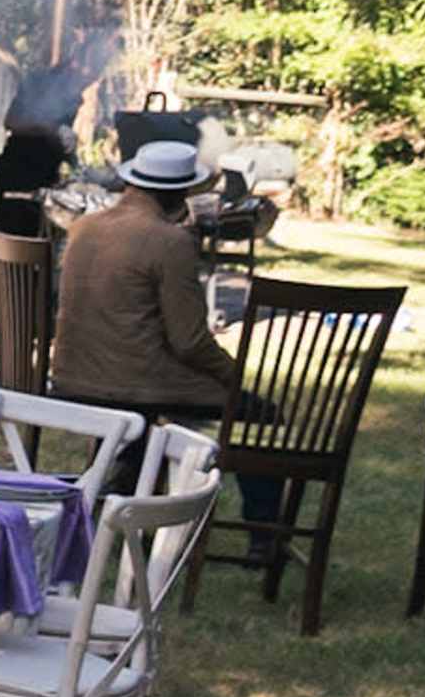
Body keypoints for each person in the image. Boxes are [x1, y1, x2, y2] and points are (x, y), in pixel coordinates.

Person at [51, 140, 277, 535]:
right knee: (256, 414)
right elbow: (189, 340)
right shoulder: (169, 242)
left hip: (72, 375)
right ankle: (264, 533)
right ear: (182, 194)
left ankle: (121, 487)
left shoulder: (83, 227)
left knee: (160, 409)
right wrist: (235, 376)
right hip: (131, 383)